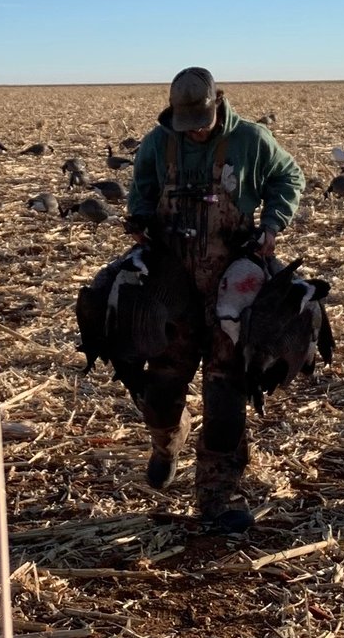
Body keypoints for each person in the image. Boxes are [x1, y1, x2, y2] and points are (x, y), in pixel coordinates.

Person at [125, 67, 306, 532]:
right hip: (171, 285)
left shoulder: (251, 139)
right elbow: (141, 192)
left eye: (202, 121)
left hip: (234, 281)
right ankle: (167, 439)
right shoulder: (158, 143)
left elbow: (289, 177)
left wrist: (271, 225)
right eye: (188, 124)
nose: (196, 131)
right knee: (160, 387)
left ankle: (217, 496)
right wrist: (140, 220)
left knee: (225, 391)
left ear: (217, 103)